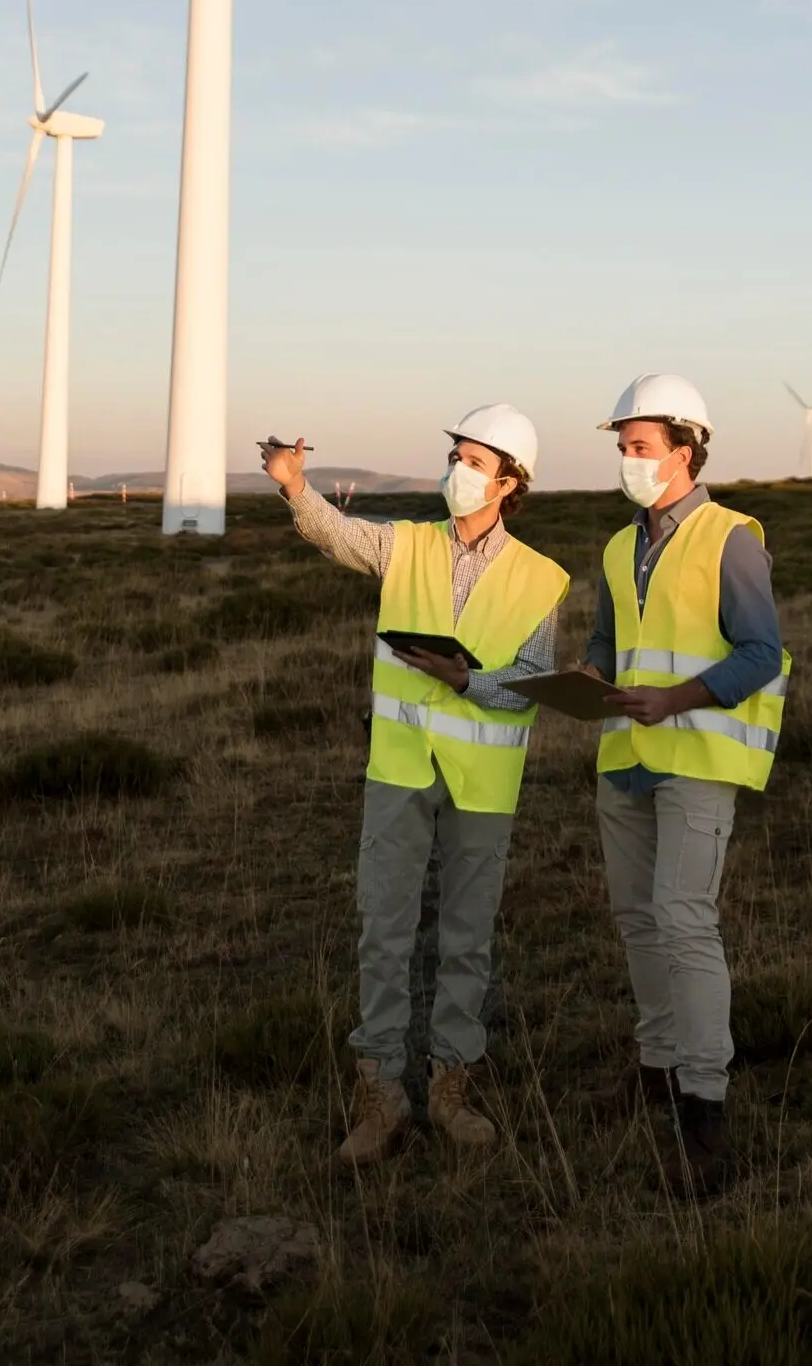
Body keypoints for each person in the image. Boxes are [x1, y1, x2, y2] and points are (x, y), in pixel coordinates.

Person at [262, 406, 569, 1167]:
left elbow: (533, 682)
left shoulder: (541, 579)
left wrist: (468, 680)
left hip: (483, 785)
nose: (457, 470)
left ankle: (450, 1089)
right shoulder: (404, 544)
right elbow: (337, 534)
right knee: (384, 931)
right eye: (456, 456)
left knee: (466, 938)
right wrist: (294, 486)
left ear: (507, 483)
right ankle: (381, 1093)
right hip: (399, 768)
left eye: (474, 461)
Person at [582, 374, 788, 1196]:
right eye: (622, 447)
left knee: (683, 922)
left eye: (640, 446)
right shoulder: (615, 547)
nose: (627, 460)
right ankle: (656, 1067)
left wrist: (676, 698)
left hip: (696, 757)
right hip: (624, 757)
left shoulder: (729, 537)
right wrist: (587, 676)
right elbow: (607, 641)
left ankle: (704, 1105)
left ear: (685, 450)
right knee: (638, 921)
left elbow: (760, 653)